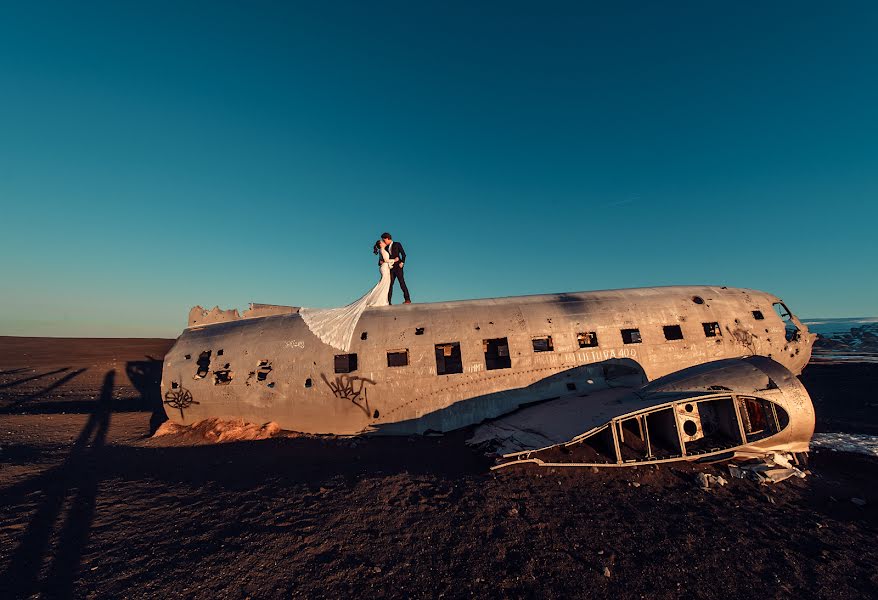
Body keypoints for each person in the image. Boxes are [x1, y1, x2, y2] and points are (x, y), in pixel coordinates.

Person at [298, 238, 398, 352]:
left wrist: (389, 262)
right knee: (383, 284)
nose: (384, 242)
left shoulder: (383, 250)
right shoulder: (382, 250)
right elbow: (385, 260)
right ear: (380, 244)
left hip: (384, 268)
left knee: (384, 284)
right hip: (385, 269)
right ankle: (378, 300)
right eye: (382, 242)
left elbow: (383, 261)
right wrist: (394, 260)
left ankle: (381, 300)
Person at [380, 232, 411, 305]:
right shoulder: (386, 248)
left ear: (387, 238)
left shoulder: (397, 244)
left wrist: (402, 263)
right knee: (390, 284)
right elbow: (384, 257)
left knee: (401, 282)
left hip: (398, 267)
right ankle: (388, 302)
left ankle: (407, 299)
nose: (384, 242)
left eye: (384, 240)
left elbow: (404, 254)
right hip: (390, 268)